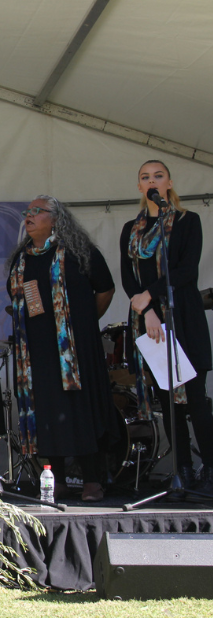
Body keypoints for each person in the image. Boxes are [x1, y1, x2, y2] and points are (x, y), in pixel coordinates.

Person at [8, 195, 119, 502]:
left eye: (37, 211)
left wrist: (81, 325)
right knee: (46, 413)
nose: (28, 216)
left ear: (55, 219)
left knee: (79, 411)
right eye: (27, 211)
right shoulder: (23, 260)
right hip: (38, 353)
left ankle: (92, 480)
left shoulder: (78, 252)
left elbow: (106, 289)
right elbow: (26, 299)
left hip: (76, 351)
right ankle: (54, 481)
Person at [120, 160, 213, 495]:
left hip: (183, 317)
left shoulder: (188, 221)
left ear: (169, 183)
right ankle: (183, 469)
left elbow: (187, 270)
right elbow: (128, 279)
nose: (152, 181)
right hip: (150, 321)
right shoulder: (132, 229)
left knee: (195, 398)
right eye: (145, 177)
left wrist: (150, 297)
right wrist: (147, 309)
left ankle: (210, 470)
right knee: (168, 398)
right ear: (139, 186)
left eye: (158, 175)